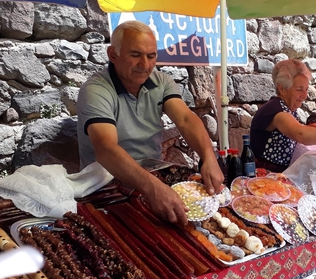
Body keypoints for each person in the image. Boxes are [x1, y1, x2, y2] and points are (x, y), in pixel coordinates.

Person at [77, 21, 223, 225]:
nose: (145, 65)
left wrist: (209, 157)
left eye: (151, 56)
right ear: (113, 55)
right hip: (105, 188)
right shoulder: (96, 90)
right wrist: (153, 187)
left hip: (152, 177)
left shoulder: (161, 81)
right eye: (135, 55)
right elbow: (106, 149)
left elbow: (185, 118)